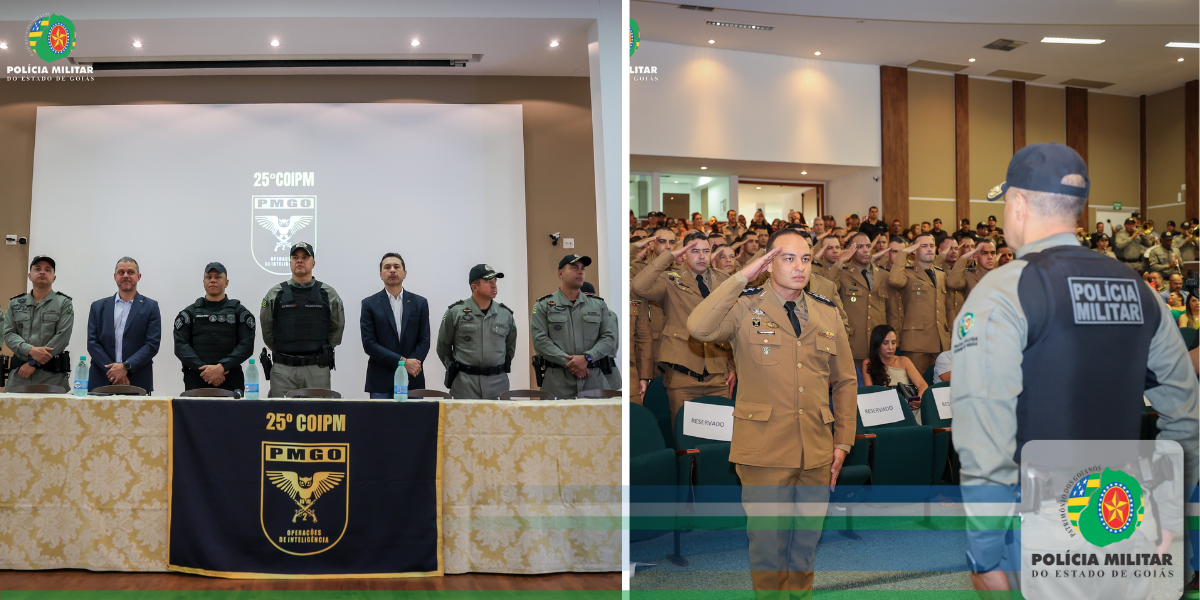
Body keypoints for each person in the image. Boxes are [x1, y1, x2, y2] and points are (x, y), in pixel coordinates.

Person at [950, 143, 1198, 594]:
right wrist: (1169, 512)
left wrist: (984, 552)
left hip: (1046, 525)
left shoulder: (1005, 290)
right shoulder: (1140, 290)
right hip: (1126, 512)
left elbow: (984, 436)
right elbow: (1186, 416)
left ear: (1018, 203)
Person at [685, 229, 856, 597]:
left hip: (816, 448)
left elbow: (845, 381)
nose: (799, 267)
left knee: (805, 546)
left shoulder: (827, 312)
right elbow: (698, 327)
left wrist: (842, 441)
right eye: (788, 258)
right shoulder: (745, 307)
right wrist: (742, 276)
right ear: (767, 263)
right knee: (768, 547)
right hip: (763, 449)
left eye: (805, 259)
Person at [632, 231, 733, 424]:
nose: (701, 256)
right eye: (694, 251)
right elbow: (639, 286)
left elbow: (732, 324)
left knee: (719, 434)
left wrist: (732, 366)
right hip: (683, 374)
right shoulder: (671, 279)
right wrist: (669, 256)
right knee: (685, 434)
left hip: (717, 374)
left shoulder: (723, 279)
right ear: (683, 253)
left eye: (706, 251)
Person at [260, 243, 345, 397]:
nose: (299, 260)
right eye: (295, 257)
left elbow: (337, 327)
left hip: (317, 369)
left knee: (318, 412)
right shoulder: (275, 293)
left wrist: (322, 350)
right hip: (282, 371)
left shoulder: (328, 293)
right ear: (290, 262)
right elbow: (267, 328)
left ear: (313, 263)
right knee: (279, 411)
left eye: (305, 257)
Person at [530, 254, 617, 399]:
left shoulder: (598, 305)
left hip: (593, 378)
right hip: (558, 381)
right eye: (574, 267)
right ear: (560, 273)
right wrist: (571, 363)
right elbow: (540, 340)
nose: (580, 271)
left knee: (600, 414)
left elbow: (609, 337)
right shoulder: (543, 305)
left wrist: (587, 358)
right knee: (555, 414)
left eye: (583, 268)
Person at [172, 262, 255, 393]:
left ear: (226, 282)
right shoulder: (189, 313)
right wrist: (207, 371)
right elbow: (181, 346)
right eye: (209, 277)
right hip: (197, 380)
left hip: (230, 380)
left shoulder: (239, 312)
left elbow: (246, 346)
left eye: (217, 277)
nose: (213, 280)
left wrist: (221, 367)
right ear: (203, 282)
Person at [437, 264, 516, 399]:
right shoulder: (455, 312)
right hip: (465, 384)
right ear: (474, 287)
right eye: (488, 281)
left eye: (495, 281)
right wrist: (454, 367)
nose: (494, 286)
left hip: (497, 384)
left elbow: (510, 347)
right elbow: (443, 347)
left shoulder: (505, 314)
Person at [361, 252, 430, 398]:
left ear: (404, 273)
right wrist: (403, 362)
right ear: (381, 275)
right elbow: (369, 344)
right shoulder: (369, 304)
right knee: (381, 415)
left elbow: (424, 341)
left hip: (412, 379)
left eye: (396, 266)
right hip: (381, 380)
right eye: (387, 267)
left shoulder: (420, 303)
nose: (392, 270)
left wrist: (411, 368)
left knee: (415, 414)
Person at [87, 257, 161, 392]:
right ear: (115, 276)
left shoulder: (151, 307)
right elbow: (92, 343)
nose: (126, 275)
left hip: (137, 380)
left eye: (130, 272)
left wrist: (126, 367)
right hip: (102, 379)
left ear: (138, 276)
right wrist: (114, 372)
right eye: (121, 272)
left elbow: (152, 344)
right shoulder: (98, 307)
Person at [824, 232, 896, 374]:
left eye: (868, 246)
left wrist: (893, 341)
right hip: (853, 344)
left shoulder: (883, 274)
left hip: (880, 346)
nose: (865, 250)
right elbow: (826, 290)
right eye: (860, 247)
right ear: (850, 250)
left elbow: (892, 312)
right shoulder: (842, 273)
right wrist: (839, 262)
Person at [1, 256, 74, 391]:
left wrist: (34, 363)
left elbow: (62, 337)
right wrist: (30, 350)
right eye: (38, 269)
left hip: (52, 376)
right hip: (19, 374)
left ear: (54, 277)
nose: (42, 272)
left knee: (56, 406)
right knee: (10, 405)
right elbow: (9, 334)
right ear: (30, 276)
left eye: (48, 270)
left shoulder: (64, 303)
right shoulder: (15, 303)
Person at [887, 233, 950, 375]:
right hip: (916, 342)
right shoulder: (907, 273)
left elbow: (947, 307)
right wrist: (903, 253)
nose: (929, 249)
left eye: (932, 245)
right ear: (914, 250)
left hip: (941, 340)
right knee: (917, 385)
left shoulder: (940, 273)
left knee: (940, 386)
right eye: (924, 246)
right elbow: (895, 281)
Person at [861, 324, 928, 415]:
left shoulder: (904, 361)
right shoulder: (868, 363)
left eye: (893, 343)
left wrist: (919, 399)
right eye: (885, 343)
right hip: (884, 409)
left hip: (909, 409)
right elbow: (871, 392)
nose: (890, 347)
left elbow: (922, 384)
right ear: (877, 344)